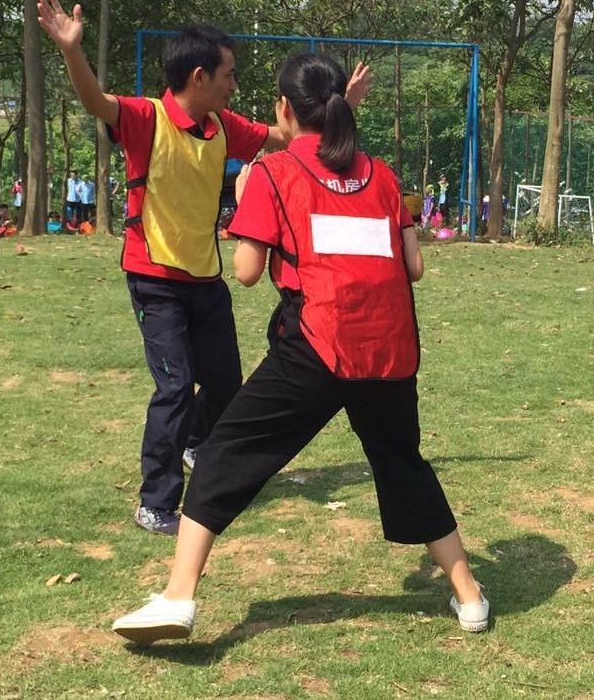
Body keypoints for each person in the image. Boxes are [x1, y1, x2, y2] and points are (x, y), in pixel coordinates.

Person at [110, 52, 487, 645]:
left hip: (315, 346)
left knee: (222, 453)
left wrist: (245, 199)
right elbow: (414, 267)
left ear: (284, 108)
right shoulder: (382, 175)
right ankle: (469, 595)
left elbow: (245, 272)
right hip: (388, 351)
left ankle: (178, 597)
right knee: (403, 464)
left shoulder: (273, 172)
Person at [37, 0, 371, 535]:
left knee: (225, 383)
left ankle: (195, 443)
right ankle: (156, 502)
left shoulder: (222, 126)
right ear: (199, 76)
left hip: (207, 281)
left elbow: (290, 136)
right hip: (154, 280)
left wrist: (340, 106)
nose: (234, 85)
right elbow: (96, 101)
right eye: (229, 74)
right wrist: (72, 51)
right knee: (174, 388)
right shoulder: (146, 118)